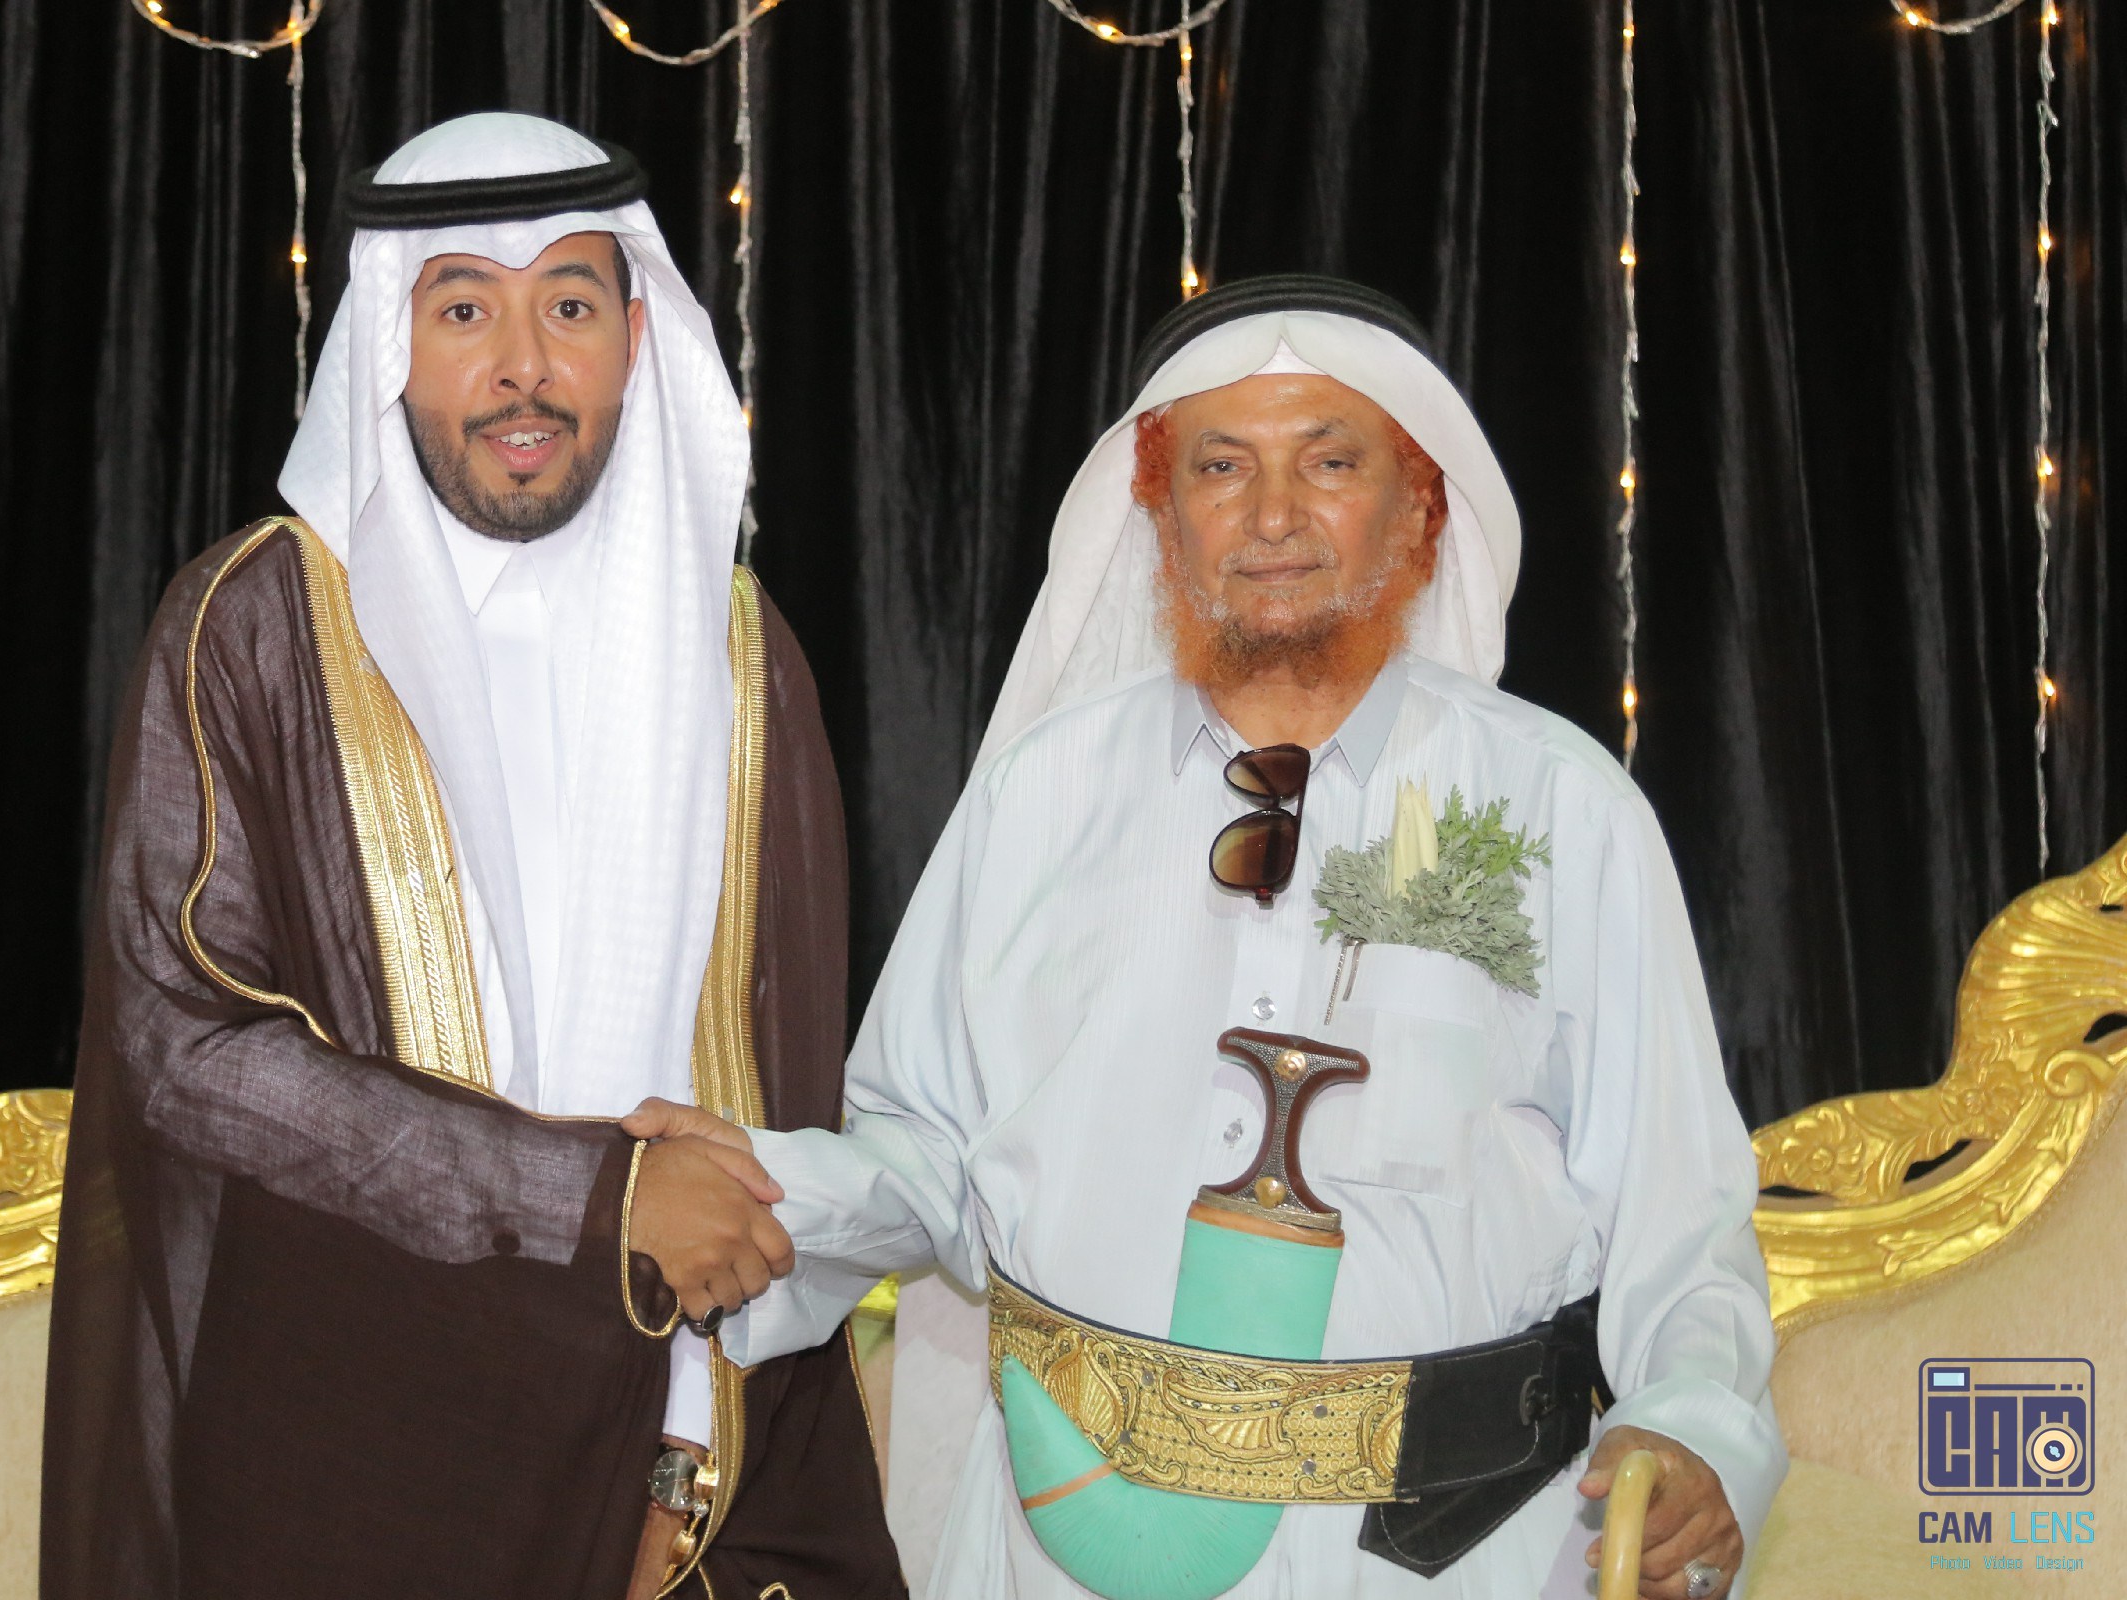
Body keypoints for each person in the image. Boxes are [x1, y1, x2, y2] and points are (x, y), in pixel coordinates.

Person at [630, 276, 1785, 1598]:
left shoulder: (1557, 809)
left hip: (1452, 1559)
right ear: (1161, 512)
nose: (1273, 516)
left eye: (1330, 463)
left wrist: (1694, 1425)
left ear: (1418, 508)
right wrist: (759, 1187)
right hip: (1068, 1552)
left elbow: (1680, 1216)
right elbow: (932, 1154)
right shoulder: (1038, 796)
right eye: (1222, 467)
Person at [41, 112, 901, 1600]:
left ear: (636, 334)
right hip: (361, 1462)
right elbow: (188, 1047)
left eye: (569, 305)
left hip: (692, 1458)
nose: (523, 367)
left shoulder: (742, 652)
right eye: (464, 313)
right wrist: (592, 1200)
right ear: (392, 338)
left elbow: (778, 1076)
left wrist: (685, 1426)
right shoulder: (252, 626)